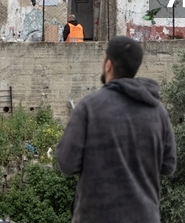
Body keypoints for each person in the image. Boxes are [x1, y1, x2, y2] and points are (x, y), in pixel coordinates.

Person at [56, 36, 176, 223]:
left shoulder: (89, 107)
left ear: (108, 65)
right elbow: (168, 166)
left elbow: (66, 163)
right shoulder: (158, 112)